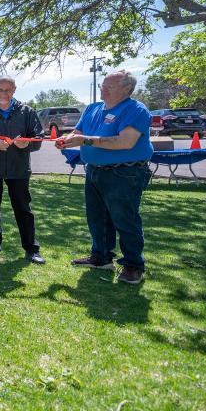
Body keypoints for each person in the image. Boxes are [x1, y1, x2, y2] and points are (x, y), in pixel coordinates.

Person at [57, 70, 153, 284]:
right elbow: (77, 132)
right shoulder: (92, 108)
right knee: (97, 218)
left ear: (126, 89)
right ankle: (100, 257)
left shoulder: (135, 110)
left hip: (125, 172)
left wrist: (85, 140)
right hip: (94, 170)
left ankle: (132, 265)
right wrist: (67, 139)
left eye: (109, 86)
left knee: (124, 219)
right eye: (103, 85)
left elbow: (125, 142)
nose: (103, 89)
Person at [0, 76, 45, 264]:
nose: (3, 93)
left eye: (8, 90)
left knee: (23, 209)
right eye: (0, 89)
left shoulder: (27, 112)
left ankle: (31, 249)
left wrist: (26, 144)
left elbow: (38, 138)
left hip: (18, 169)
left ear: (14, 90)